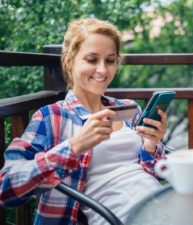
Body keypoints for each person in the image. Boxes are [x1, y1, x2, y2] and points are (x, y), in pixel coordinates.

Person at [0, 18, 168, 224]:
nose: (103, 70)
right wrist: (74, 146)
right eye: (91, 59)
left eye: (110, 60)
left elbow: (158, 173)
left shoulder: (129, 109)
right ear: (70, 61)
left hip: (161, 206)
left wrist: (151, 146)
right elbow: (6, 188)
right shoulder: (52, 116)